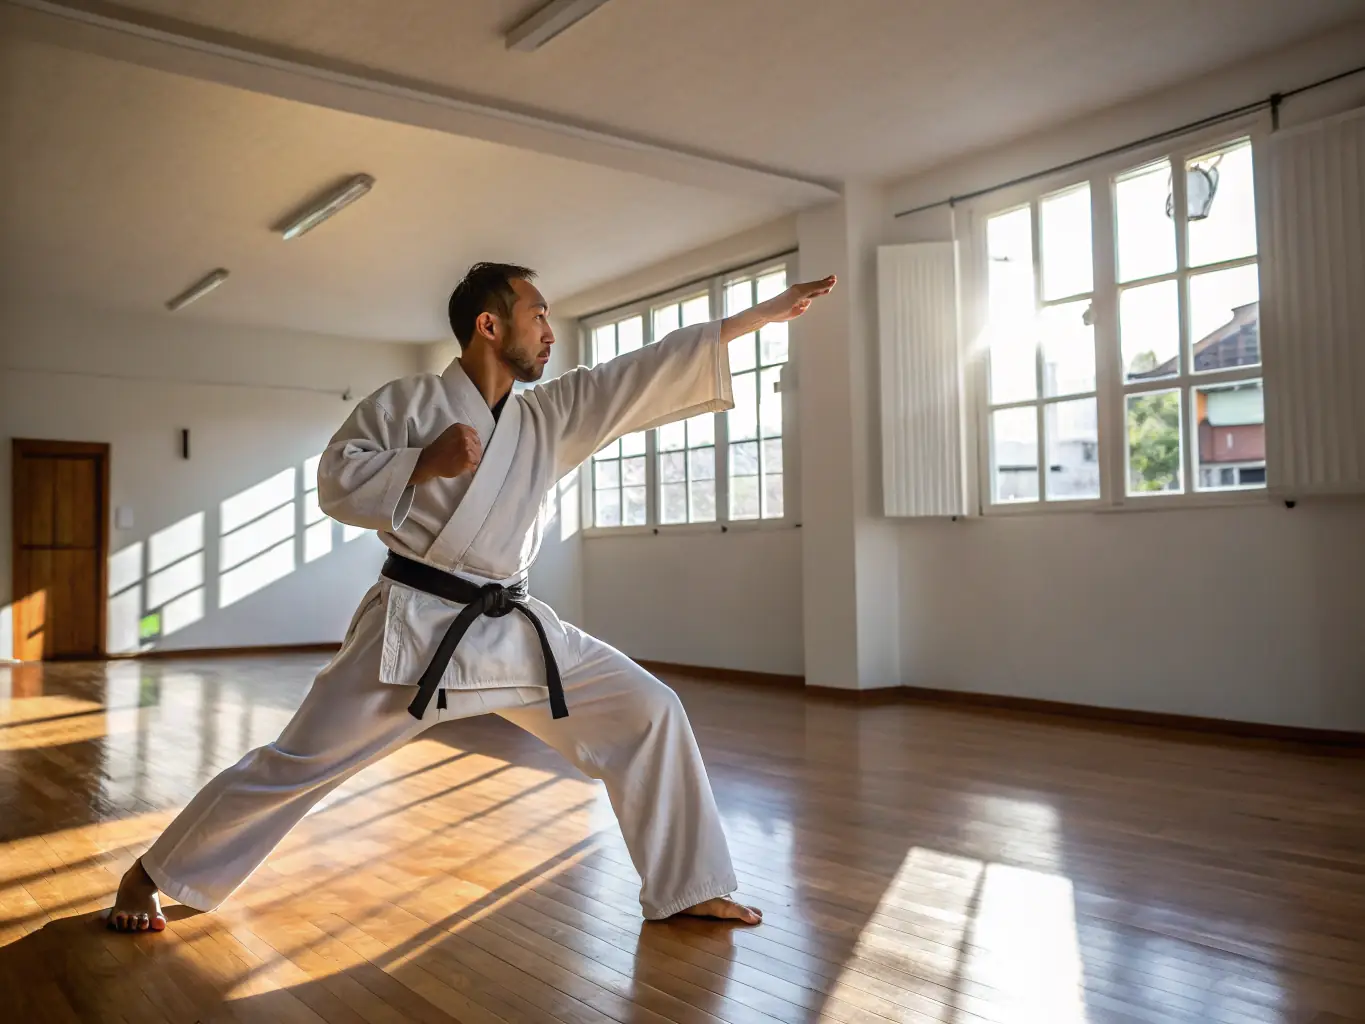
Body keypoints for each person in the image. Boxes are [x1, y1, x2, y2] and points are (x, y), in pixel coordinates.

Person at [106, 262, 837, 933]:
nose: (549, 331)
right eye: (537, 314)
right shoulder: (405, 404)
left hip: (511, 624)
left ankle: (687, 884)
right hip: (414, 632)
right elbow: (335, 481)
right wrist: (422, 462)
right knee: (297, 763)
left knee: (649, 710)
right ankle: (151, 876)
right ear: (489, 326)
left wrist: (757, 318)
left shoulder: (550, 414)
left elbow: (639, 370)